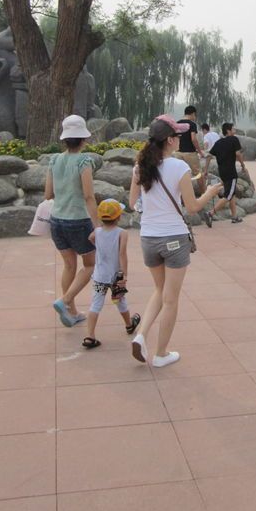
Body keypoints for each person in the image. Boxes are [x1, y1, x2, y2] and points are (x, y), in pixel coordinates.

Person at [129, 115, 222, 368]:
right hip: (173, 238)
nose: (180, 139)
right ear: (169, 140)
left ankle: (140, 335)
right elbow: (192, 207)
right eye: (178, 136)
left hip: (148, 238)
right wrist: (210, 193)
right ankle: (160, 354)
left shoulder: (140, 167)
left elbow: (132, 202)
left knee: (160, 290)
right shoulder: (179, 167)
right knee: (171, 299)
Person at [48, 115, 99, 327]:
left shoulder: (54, 160)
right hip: (78, 221)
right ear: (83, 139)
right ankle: (65, 300)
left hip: (56, 220)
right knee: (90, 265)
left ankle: (72, 312)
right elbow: (88, 196)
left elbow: (48, 194)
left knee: (69, 266)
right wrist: (98, 226)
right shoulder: (84, 161)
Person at [80, 199, 141, 349]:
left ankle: (90, 336)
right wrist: (124, 274)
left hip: (99, 277)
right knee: (120, 301)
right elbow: (122, 254)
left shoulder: (97, 232)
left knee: (96, 304)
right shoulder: (122, 233)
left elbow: (90, 238)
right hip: (116, 277)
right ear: (119, 216)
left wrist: (99, 246)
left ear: (101, 217)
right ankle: (129, 325)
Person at [205, 122, 247, 224]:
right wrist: (243, 165)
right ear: (228, 131)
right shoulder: (234, 139)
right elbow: (238, 154)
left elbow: (209, 155)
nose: (235, 131)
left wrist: (205, 170)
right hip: (231, 172)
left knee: (231, 194)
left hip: (222, 172)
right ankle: (210, 213)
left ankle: (234, 216)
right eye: (233, 129)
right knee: (228, 195)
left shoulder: (218, 142)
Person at [175, 105, 203, 177]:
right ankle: (202, 185)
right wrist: (200, 151)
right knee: (198, 174)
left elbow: (175, 137)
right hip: (190, 152)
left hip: (178, 153)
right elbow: (193, 139)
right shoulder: (192, 124)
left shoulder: (177, 123)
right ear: (193, 114)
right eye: (195, 115)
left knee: (180, 174)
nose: (195, 117)